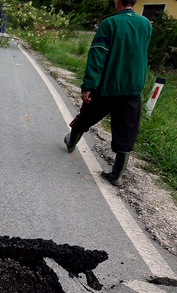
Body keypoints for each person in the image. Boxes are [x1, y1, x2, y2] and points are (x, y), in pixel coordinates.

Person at [63, 0, 152, 186]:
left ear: (117, 1)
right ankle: (117, 175)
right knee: (127, 129)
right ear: (134, 2)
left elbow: (98, 53)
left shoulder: (109, 23)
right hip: (132, 89)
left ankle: (71, 144)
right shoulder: (145, 24)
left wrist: (89, 85)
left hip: (107, 87)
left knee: (86, 116)